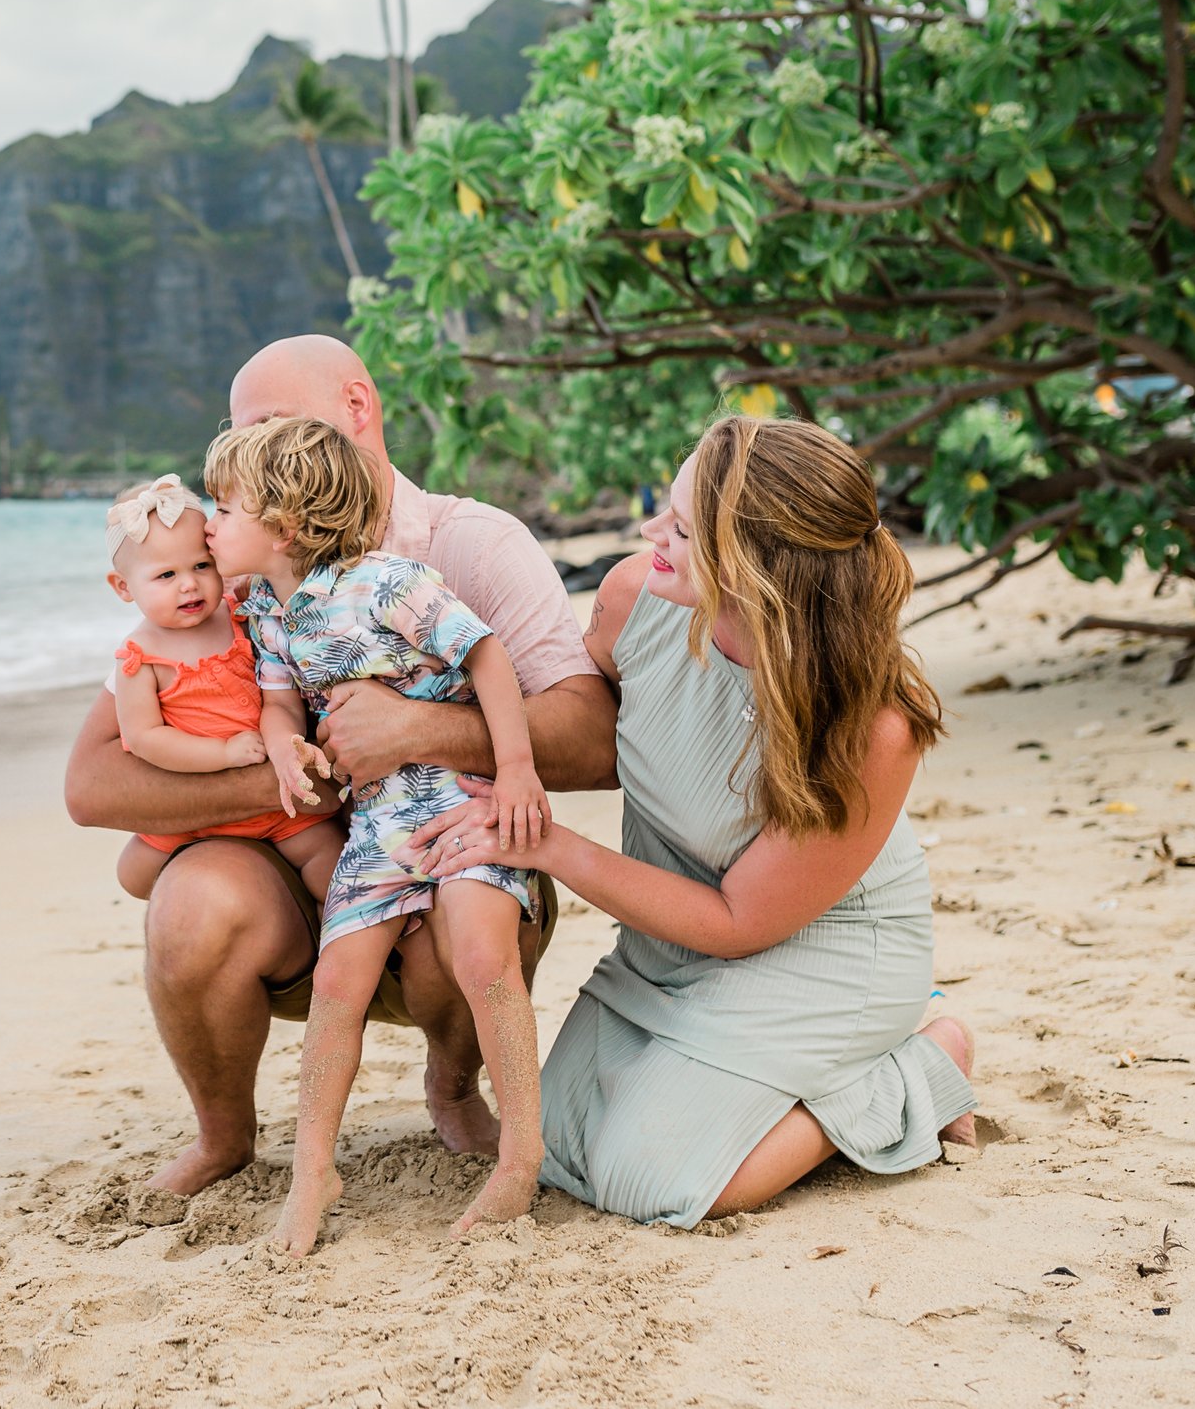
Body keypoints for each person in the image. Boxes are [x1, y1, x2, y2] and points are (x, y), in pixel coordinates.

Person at [62, 335, 618, 1196]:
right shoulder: (229, 572)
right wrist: (294, 769)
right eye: (241, 443)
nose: (254, 459)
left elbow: (592, 736)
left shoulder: (466, 547)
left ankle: (454, 1087)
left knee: (461, 917)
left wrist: (418, 730)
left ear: (357, 410)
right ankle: (227, 1137)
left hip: (446, 840)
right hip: (309, 864)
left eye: (273, 427)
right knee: (190, 903)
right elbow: (91, 785)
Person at [416, 415, 980, 1227]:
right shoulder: (631, 598)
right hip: (666, 941)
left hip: (821, 953)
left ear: (756, 564)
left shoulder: (872, 726)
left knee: (662, 1180)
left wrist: (553, 845)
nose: (652, 533)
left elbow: (738, 919)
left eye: (681, 526)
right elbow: (576, 725)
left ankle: (922, 1060)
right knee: (565, 1146)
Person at [199, 417, 549, 1254]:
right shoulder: (271, 613)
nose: (208, 521)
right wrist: (286, 744)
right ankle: (313, 1165)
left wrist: (519, 769)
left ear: (282, 525)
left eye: (224, 506)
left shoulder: (390, 582)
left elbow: (487, 657)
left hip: (463, 800)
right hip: (379, 820)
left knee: (480, 955)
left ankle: (520, 1154)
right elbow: (282, 696)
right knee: (338, 980)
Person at [100, 473, 343, 902]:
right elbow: (143, 738)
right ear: (123, 587)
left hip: (275, 805)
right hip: (197, 811)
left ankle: (345, 930)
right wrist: (223, 754)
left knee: (328, 859)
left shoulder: (240, 615)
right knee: (132, 873)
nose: (189, 584)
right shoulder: (140, 658)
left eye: (201, 566)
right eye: (165, 575)